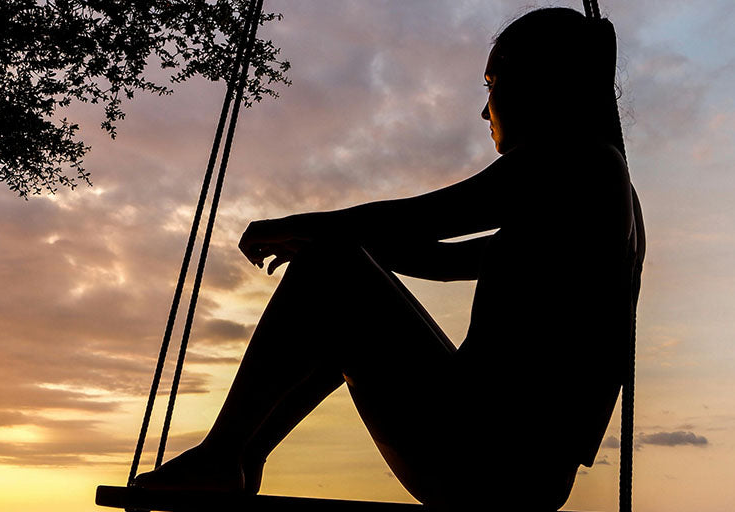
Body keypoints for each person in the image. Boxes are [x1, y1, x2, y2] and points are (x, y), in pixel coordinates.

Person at [134, 7, 645, 511]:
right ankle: (240, 458)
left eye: (491, 83)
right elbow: (444, 260)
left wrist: (311, 231)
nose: (484, 110)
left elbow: (434, 216)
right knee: (339, 272)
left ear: (537, 80)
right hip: (519, 470)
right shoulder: (597, 190)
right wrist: (339, 242)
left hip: (488, 459)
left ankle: (224, 455)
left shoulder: (576, 162)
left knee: (332, 268)